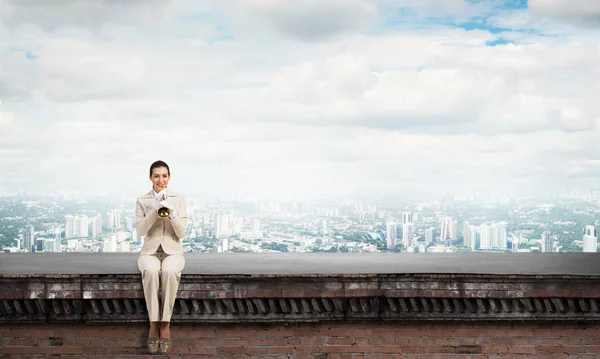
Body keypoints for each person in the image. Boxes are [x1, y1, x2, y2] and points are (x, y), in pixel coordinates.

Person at [135, 160, 187, 354]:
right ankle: (153, 323)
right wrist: (154, 210)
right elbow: (141, 231)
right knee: (150, 270)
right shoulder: (142, 200)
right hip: (150, 251)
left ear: (169, 177)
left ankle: (164, 324)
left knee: (169, 271)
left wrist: (171, 212)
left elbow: (181, 234)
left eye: (164, 176)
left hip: (173, 251)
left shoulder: (179, 199)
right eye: (156, 176)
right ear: (150, 177)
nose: (160, 180)